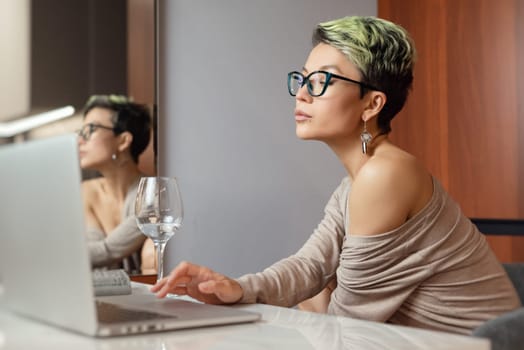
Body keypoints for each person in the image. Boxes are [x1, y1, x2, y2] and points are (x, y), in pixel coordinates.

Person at [151, 16, 521, 334]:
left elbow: (346, 325)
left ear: (372, 104)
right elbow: (310, 266)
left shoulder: (385, 175)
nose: (302, 95)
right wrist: (234, 288)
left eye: (322, 81)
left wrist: (317, 293)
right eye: (303, 79)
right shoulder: (358, 181)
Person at [78, 94, 153, 274]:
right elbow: (97, 256)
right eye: (80, 133)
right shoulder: (86, 190)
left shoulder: (153, 193)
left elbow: (107, 252)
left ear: (123, 141)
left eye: (91, 129)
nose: (80, 140)